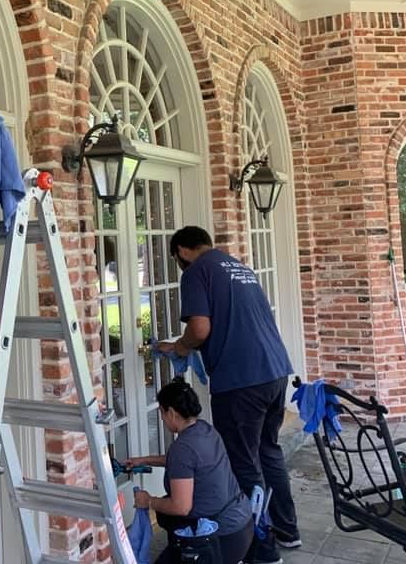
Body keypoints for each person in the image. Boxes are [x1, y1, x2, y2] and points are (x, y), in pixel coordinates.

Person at [160, 226, 300, 564]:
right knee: (268, 450)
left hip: (241, 381)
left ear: (181, 251)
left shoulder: (196, 272)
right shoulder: (239, 268)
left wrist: (178, 347)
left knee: (242, 462)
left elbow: (199, 329)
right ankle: (288, 530)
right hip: (275, 370)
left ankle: (263, 550)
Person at [125, 378, 254, 564]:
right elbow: (186, 463)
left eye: (161, 412)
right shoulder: (205, 430)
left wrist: (148, 501)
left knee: (167, 510)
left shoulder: (182, 448)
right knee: (165, 515)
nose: (161, 418)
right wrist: (144, 460)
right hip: (242, 524)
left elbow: (181, 507)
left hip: (220, 537)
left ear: (171, 412)